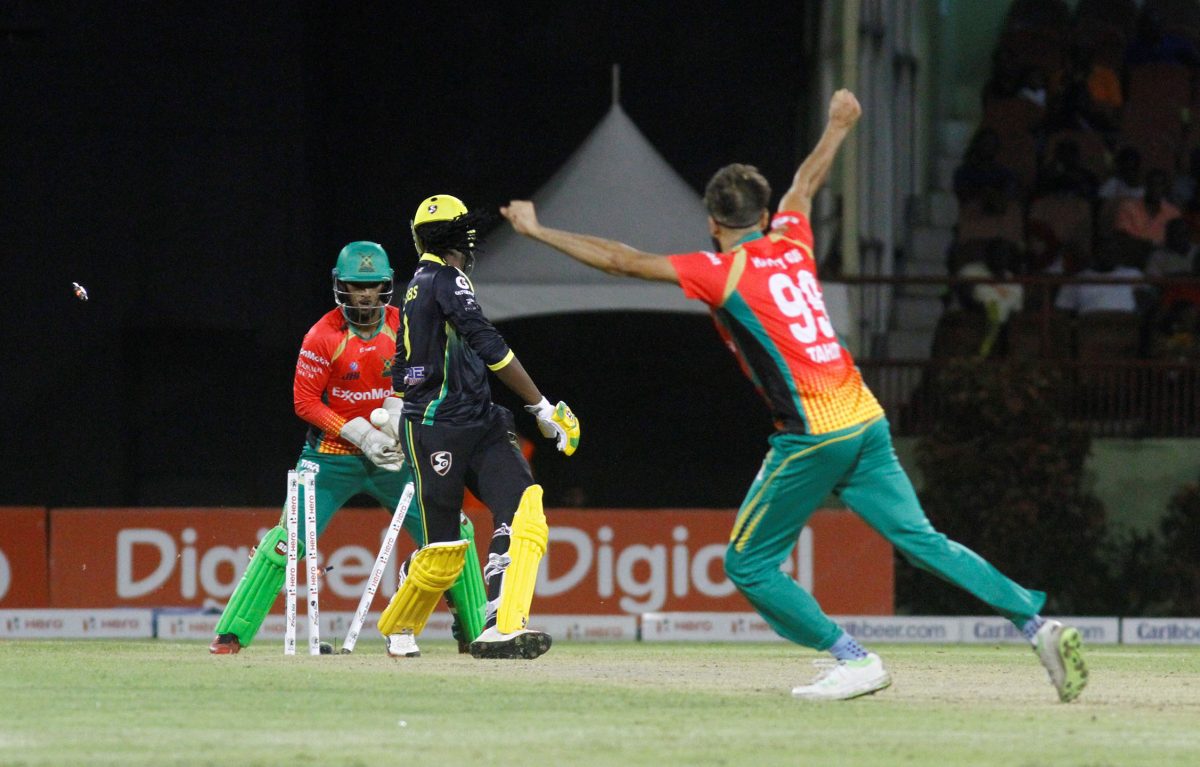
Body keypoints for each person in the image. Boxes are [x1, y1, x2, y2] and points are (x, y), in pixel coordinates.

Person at [500, 89, 1088, 703]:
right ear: (763, 213)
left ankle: (852, 658)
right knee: (925, 542)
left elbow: (622, 260)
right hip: (864, 418)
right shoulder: (791, 240)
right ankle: (1037, 624)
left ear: (712, 223)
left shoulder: (720, 271)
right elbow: (805, 186)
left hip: (814, 432)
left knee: (747, 564)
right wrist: (838, 125)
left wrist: (537, 230)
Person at [209, 241, 486, 655]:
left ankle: (476, 631)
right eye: (357, 286)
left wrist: (397, 419)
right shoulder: (323, 336)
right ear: (342, 286)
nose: (365, 295)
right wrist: (359, 434)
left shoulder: (406, 323)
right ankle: (231, 634)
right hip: (329, 457)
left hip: (395, 456)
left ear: (386, 287)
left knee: (452, 532)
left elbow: (429, 379)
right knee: (288, 541)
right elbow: (304, 401)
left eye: (373, 286)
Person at [375, 194, 580, 661]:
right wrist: (540, 406)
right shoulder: (442, 279)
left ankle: (499, 620)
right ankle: (402, 622)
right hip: (436, 427)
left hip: (481, 419)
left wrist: (392, 407)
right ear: (463, 237)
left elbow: (404, 359)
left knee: (523, 508)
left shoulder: (422, 284)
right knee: (444, 551)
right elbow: (486, 341)